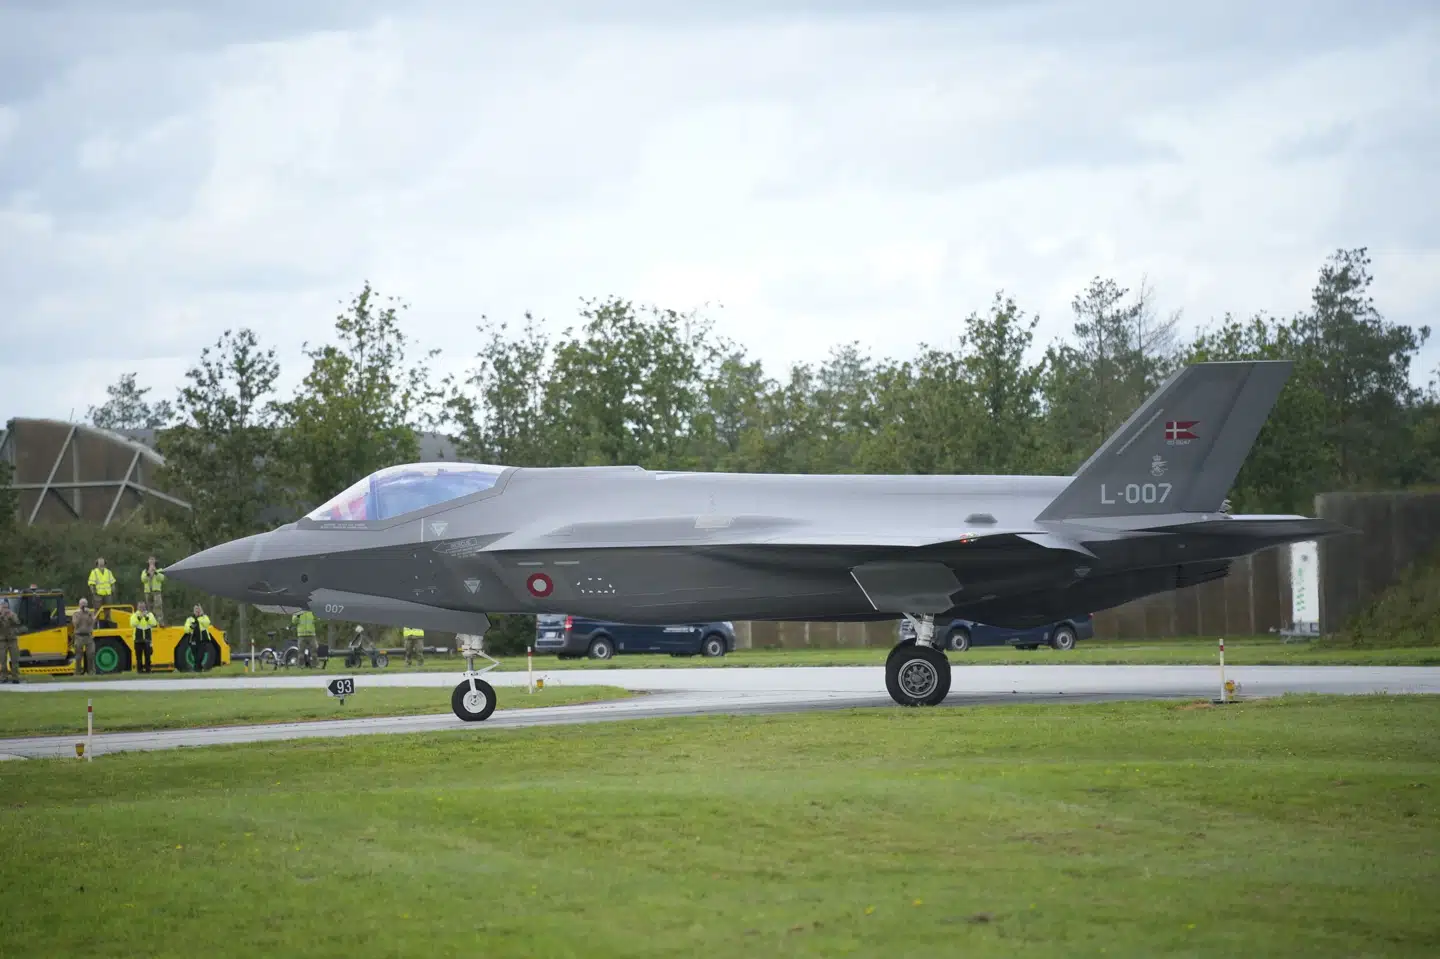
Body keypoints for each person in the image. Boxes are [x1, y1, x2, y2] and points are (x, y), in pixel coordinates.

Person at [182, 604, 213, 672]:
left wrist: (200, 618)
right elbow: (186, 629)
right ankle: (199, 668)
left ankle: (196, 668)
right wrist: (191, 627)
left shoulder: (204, 617)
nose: (197, 611)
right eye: (196, 609)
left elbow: (207, 623)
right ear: (194, 610)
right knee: (195, 655)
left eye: (199, 609)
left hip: (203, 639)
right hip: (193, 639)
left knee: (201, 655)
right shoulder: (189, 619)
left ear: (201, 610)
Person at [130, 601, 158, 674]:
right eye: (140, 607)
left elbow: (154, 623)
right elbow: (132, 624)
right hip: (138, 639)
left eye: (143, 607)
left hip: (147, 639)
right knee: (138, 656)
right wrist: (139, 617)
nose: (142, 608)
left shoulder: (149, 614)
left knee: (148, 655)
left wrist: (146, 617)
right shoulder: (135, 615)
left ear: (145, 607)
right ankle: (139, 670)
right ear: (137, 607)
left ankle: (148, 669)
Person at [72, 599, 97, 676]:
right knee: (78, 656)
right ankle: (78, 672)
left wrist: (90, 615)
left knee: (91, 654)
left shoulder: (90, 613)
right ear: (79, 605)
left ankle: (91, 672)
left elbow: (93, 622)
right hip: (79, 636)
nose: (84, 606)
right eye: (82, 604)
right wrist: (81, 614)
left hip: (88, 636)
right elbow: (75, 624)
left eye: (85, 604)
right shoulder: (76, 613)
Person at [140, 557, 166, 625]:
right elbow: (143, 580)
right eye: (150, 560)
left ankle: (160, 622)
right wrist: (148, 573)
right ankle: (151, 622)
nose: (151, 561)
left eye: (153, 559)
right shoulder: (145, 571)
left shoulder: (159, 570)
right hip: (148, 592)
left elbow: (162, 578)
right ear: (148, 561)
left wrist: (155, 572)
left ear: (155, 561)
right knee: (149, 608)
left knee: (158, 607)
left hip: (156, 591)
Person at [0, 600, 21, 684]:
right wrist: (1, 616)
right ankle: (3, 677)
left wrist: (11, 616)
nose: (5, 609)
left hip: (12, 640)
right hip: (2, 641)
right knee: (2, 660)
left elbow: (17, 623)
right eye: (3, 607)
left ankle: (15, 677)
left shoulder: (13, 614)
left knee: (15, 659)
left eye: (6, 607)